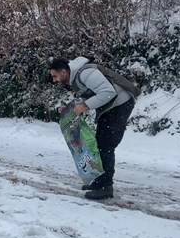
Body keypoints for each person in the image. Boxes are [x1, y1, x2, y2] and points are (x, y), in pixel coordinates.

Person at [50, 56, 136, 199]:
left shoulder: (85, 73)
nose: (54, 80)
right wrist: (69, 109)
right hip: (112, 107)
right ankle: (99, 181)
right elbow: (90, 96)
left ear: (64, 72)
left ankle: (105, 187)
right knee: (100, 143)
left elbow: (108, 93)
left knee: (105, 144)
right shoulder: (76, 78)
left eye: (55, 76)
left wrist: (84, 106)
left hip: (120, 105)